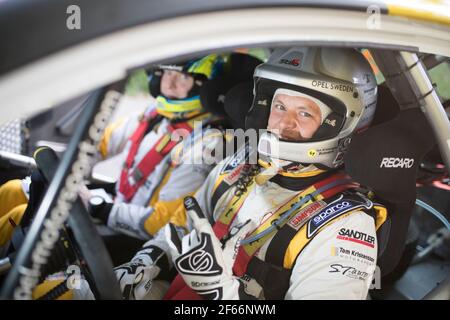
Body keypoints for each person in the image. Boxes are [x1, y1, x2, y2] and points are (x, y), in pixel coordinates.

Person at [119, 47, 389, 300]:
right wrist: (147, 261)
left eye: (304, 113)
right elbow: (181, 226)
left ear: (338, 123)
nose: (284, 123)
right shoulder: (239, 164)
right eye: (280, 106)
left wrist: (222, 293)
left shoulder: (346, 224)